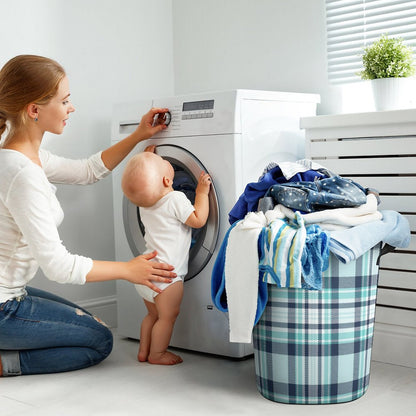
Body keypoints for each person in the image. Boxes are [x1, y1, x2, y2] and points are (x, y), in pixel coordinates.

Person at [0, 54, 177, 376]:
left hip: (9, 292)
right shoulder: (21, 173)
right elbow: (58, 266)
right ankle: (4, 362)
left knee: (90, 322)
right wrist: (129, 270)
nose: (72, 108)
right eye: (65, 101)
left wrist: (139, 135)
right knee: (98, 340)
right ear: (34, 110)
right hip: (3, 306)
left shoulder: (22, 155)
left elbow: (88, 171)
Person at [121, 148, 211, 365]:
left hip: (147, 271)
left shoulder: (144, 203)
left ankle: (143, 351)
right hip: (167, 276)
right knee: (167, 318)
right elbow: (198, 220)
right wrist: (200, 193)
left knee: (152, 316)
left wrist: (147, 159)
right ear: (167, 180)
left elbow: (145, 184)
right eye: (162, 161)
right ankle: (157, 354)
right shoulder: (176, 198)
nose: (164, 159)